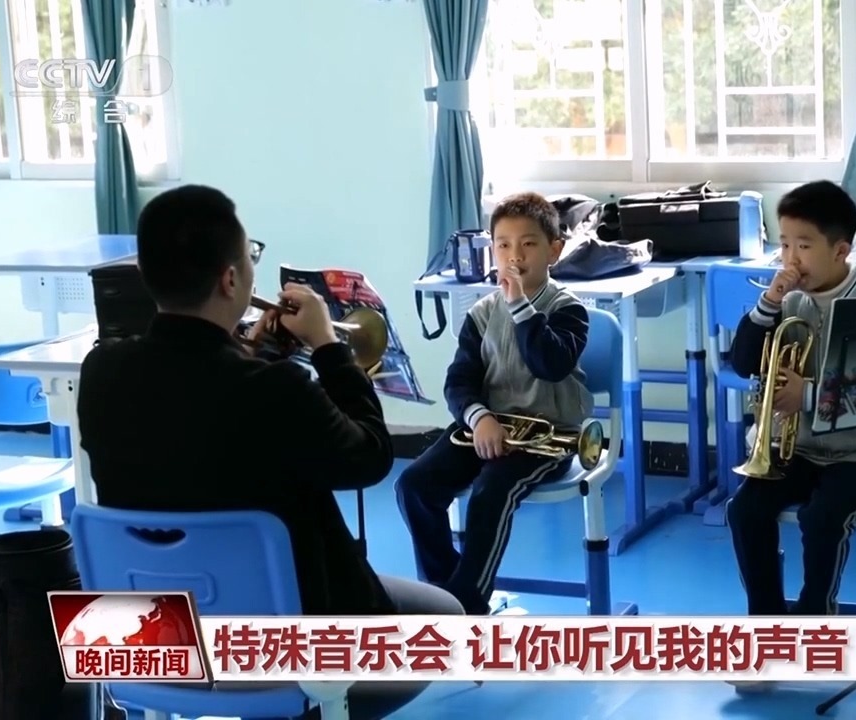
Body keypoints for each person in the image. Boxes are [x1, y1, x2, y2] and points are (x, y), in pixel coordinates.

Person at [77, 184, 462, 719]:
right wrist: (330, 348)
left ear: (145, 273)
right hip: (282, 645)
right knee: (446, 619)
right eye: (249, 258)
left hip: (153, 638)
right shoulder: (275, 389)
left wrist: (248, 352)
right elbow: (370, 456)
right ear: (231, 280)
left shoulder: (101, 372)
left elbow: (193, 414)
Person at [725, 181, 856, 689]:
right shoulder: (788, 304)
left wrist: (806, 395)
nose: (790, 258)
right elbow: (742, 362)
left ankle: (814, 616)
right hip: (800, 448)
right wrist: (768, 302)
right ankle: (766, 632)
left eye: (803, 245)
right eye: (784, 243)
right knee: (745, 511)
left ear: (840, 250)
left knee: (822, 517)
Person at [395, 192, 593, 615]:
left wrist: (520, 306)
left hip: (547, 437)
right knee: (413, 485)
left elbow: (550, 365)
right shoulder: (482, 312)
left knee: (490, 492)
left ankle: (468, 606)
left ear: (554, 251)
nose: (514, 256)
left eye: (528, 244)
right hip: (486, 427)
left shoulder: (568, 309)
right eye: (503, 245)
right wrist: (479, 417)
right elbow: (459, 381)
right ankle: (444, 594)